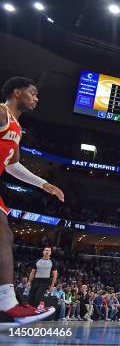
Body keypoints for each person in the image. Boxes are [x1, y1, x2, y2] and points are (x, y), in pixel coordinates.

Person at [0, 77, 64, 328]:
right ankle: (6, 304)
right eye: (33, 93)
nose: (37, 98)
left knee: (4, 234)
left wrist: (43, 184)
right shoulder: (1, 112)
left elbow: (13, 165)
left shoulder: (16, 126)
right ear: (17, 93)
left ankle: (5, 304)